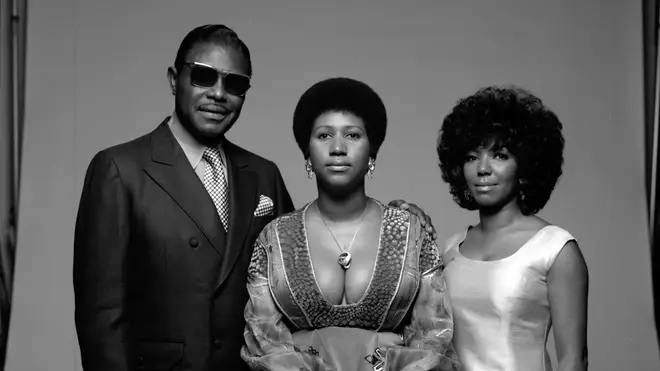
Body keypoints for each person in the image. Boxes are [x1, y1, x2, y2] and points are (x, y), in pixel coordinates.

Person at [73, 25, 435, 371]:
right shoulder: (121, 169)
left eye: (235, 83)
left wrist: (396, 229)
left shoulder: (262, 173)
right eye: (203, 76)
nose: (218, 93)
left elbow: (301, 274)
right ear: (173, 79)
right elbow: (100, 314)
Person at [241, 77, 461, 371]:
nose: (338, 148)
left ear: (373, 151)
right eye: (323, 136)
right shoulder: (276, 237)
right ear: (307, 153)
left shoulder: (411, 232)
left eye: (353, 135)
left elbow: (433, 334)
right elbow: (264, 338)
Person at [436, 86, 589, 371]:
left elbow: (573, 360)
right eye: (471, 156)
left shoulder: (555, 250)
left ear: (525, 164)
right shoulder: (451, 250)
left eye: (500, 155)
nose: (482, 168)